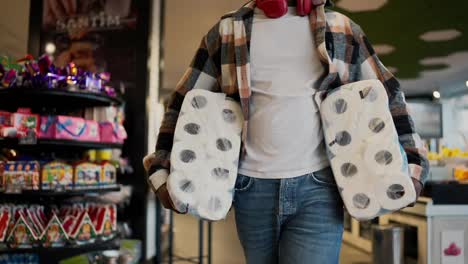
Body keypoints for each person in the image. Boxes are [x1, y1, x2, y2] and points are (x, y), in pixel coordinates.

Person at [144, 0, 429, 263]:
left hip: (319, 189)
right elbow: (182, 102)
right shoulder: (227, 31)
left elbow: (388, 93)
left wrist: (414, 164)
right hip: (251, 189)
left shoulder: (340, 29)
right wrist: (161, 170)